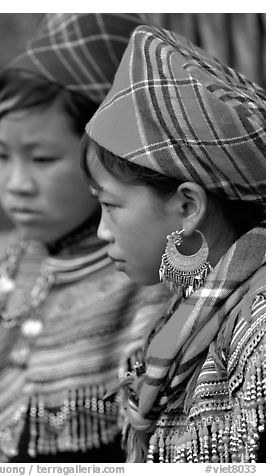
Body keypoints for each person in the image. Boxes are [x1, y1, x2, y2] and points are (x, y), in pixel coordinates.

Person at [0, 14, 169, 463]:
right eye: (1, 154)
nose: (16, 183)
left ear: (105, 159)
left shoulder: (148, 282)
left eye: (41, 158)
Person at [81, 24, 266, 463]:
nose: (103, 231)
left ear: (187, 207)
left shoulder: (260, 332)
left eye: (110, 205)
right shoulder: (188, 313)